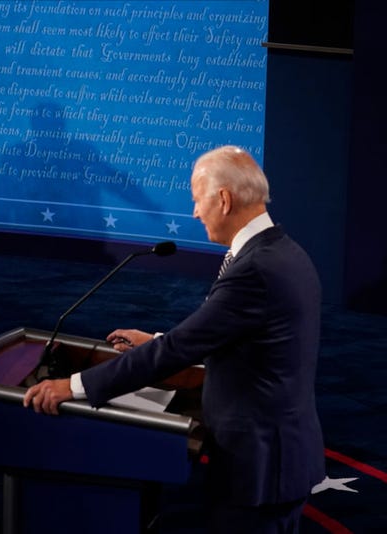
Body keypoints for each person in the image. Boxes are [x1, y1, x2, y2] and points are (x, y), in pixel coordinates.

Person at [23, 145, 325, 533]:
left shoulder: (254, 269)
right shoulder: (285, 251)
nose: (195, 212)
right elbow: (241, 337)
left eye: (197, 200)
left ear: (224, 199)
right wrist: (155, 339)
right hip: (278, 456)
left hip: (261, 466)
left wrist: (73, 386)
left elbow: (180, 350)